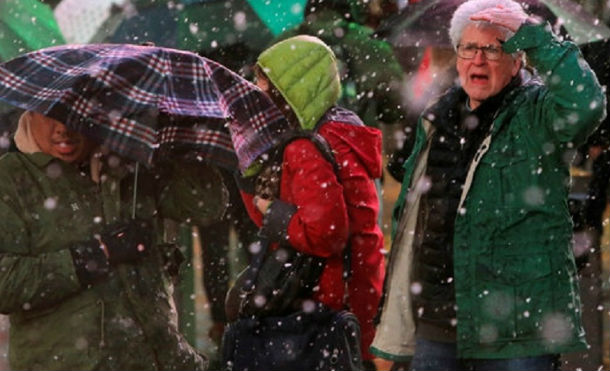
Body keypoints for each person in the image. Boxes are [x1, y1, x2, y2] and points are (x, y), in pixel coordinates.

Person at [370, 0, 606, 370]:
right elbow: (412, 222)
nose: (478, 59)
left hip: (516, 329)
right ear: (457, 55)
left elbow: (586, 103)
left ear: (517, 61)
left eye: (493, 49)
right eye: (468, 48)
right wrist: (393, 325)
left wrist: (531, 33)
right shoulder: (436, 118)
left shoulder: (538, 114)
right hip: (438, 321)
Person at [0, 111, 228, 370]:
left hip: (160, 359)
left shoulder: (130, 163)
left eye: (76, 113)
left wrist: (179, 136)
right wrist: (93, 256)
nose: (63, 128)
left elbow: (206, 207)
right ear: (30, 113)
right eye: (51, 114)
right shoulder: (10, 178)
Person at [234, 35, 386, 369]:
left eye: (263, 79)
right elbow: (290, 226)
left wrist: (270, 209)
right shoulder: (327, 132)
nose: (256, 88)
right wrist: (248, 171)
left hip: (327, 300)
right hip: (344, 297)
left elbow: (324, 232)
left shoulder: (316, 142)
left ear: (290, 87)